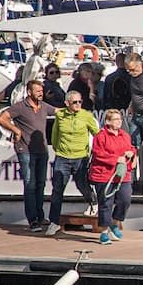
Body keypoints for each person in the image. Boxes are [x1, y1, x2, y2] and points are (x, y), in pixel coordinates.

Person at [0, 78, 56, 231]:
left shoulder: (43, 106)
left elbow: (58, 111)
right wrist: (16, 131)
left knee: (41, 184)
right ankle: (33, 220)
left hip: (42, 150)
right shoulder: (20, 107)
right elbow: (2, 118)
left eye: (41, 91)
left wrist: (74, 107)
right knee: (30, 184)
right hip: (26, 150)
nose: (41, 93)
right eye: (38, 91)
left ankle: (40, 216)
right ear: (29, 92)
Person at [45, 90, 99, 233]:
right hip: (62, 156)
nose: (78, 104)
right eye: (74, 102)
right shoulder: (60, 115)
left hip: (80, 157)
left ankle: (93, 202)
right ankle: (54, 222)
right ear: (67, 103)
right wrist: (58, 150)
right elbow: (55, 134)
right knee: (57, 190)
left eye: (80, 101)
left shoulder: (86, 116)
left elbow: (97, 134)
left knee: (83, 185)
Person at [88, 109, 137, 244]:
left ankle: (114, 223)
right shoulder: (101, 136)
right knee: (106, 203)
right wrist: (116, 159)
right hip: (104, 175)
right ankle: (104, 232)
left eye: (120, 119)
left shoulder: (125, 135)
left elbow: (131, 148)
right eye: (116, 119)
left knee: (125, 199)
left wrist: (132, 153)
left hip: (122, 174)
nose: (119, 121)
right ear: (108, 122)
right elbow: (98, 154)